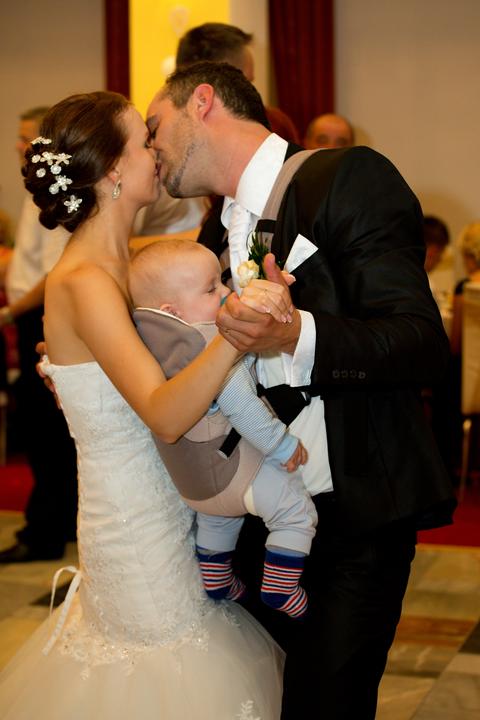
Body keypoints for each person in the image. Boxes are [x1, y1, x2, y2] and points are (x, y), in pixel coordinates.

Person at [147, 61, 456, 719]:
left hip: (353, 513)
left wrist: (295, 334)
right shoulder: (215, 229)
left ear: (202, 102)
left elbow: (420, 342)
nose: (151, 146)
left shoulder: (346, 178)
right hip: (258, 514)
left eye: (154, 125)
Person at [0, 91, 284, 719]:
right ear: (112, 170)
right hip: (134, 526)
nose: (156, 151)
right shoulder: (86, 281)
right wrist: (236, 328)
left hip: (169, 499)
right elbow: (165, 414)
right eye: (143, 140)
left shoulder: (125, 264)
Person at [129, 238, 316, 618]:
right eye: (211, 288)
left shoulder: (143, 345)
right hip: (236, 473)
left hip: (194, 485)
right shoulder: (209, 347)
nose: (226, 291)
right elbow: (243, 408)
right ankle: (280, 588)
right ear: (172, 310)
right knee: (295, 512)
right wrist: (282, 445)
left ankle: (216, 580)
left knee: (217, 519)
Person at [0, 106, 77, 563]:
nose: (17, 145)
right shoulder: (37, 192)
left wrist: (10, 313)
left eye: (26, 138)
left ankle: (44, 531)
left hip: (40, 317)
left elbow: (54, 273)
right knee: (45, 428)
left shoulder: (55, 196)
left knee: (44, 431)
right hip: (31, 314)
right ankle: (56, 521)